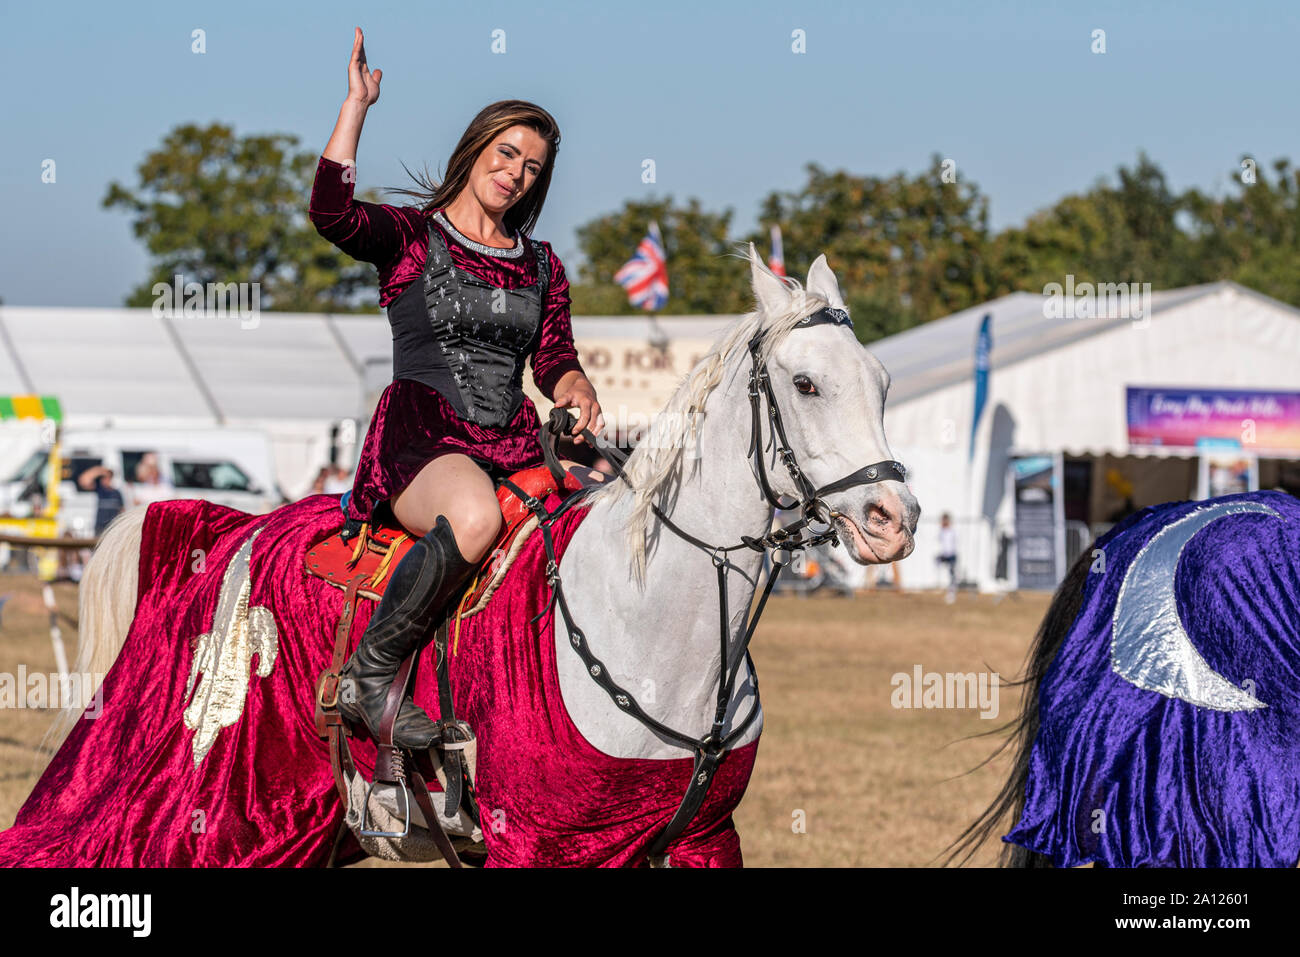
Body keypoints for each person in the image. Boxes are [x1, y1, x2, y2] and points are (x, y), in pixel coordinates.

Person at [309, 28, 605, 749]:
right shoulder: (412, 237)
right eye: (507, 152)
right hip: (424, 436)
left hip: (512, 441)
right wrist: (357, 107)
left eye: (533, 167)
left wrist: (575, 385)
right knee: (474, 519)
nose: (516, 173)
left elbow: (553, 358)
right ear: (476, 149)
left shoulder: (542, 266)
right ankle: (368, 676)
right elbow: (332, 215)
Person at [937, 512, 958, 602]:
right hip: (944, 555)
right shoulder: (942, 531)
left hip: (951, 555)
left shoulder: (952, 531)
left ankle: (951, 593)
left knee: (952, 575)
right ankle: (940, 586)